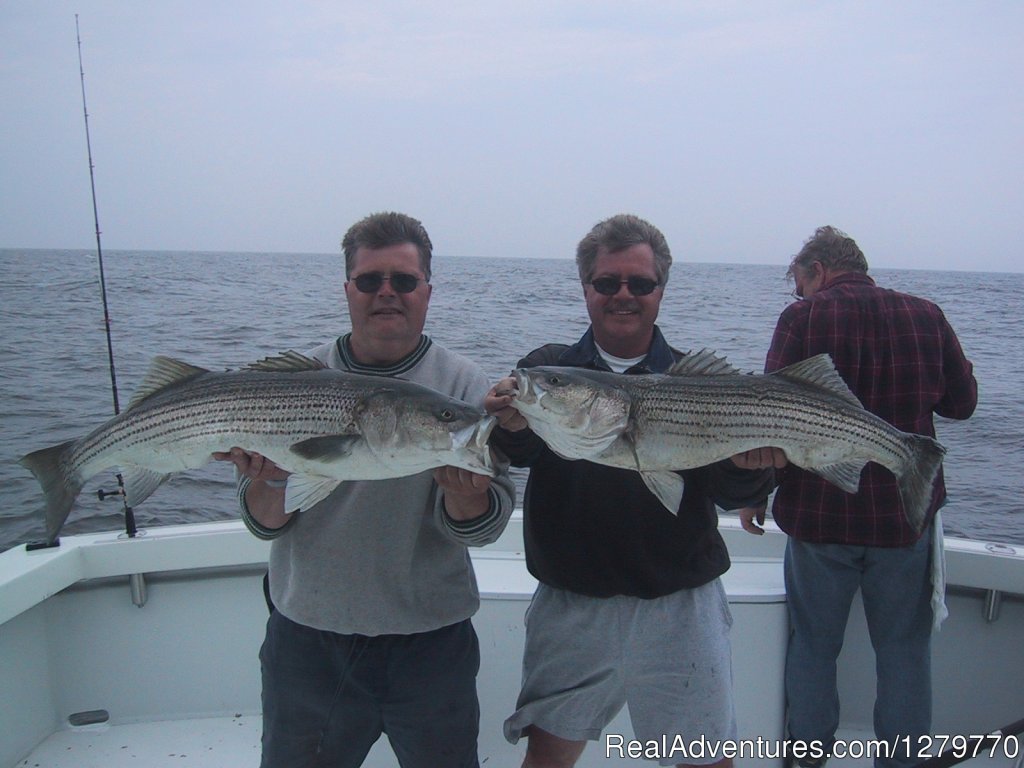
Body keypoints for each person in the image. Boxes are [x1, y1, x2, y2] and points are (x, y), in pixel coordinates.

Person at [215, 211, 515, 768]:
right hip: (309, 642)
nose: (387, 294)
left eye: (404, 281)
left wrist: (466, 497)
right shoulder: (292, 385)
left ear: (427, 290)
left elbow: (490, 520)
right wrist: (273, 478)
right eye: (370, 280)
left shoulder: (466, 390)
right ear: (347, 289)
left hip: (432, 643)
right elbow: (264, 523)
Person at [485, 213, 784, 768]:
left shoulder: (700, 382)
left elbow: (726, 486)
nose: (623, 295)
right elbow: (516, 452)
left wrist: (751, 468)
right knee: (546, 758)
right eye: (607, 283)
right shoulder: (545, 371)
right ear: (586, 289)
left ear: (660, 291)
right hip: (572, 604)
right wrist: (509, 422)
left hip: (682, 606)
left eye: (639, 284)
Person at [740, 225, 977, 768]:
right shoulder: (927, 314)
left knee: (815, 650)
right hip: (903, 515)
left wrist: (753, 492)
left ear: (817, 270)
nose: (797, 295)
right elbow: (963, 405)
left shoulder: (802, 318)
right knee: (903, 654)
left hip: (819, 519)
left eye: (797, 283)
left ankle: (807, 757)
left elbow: (770, 415)